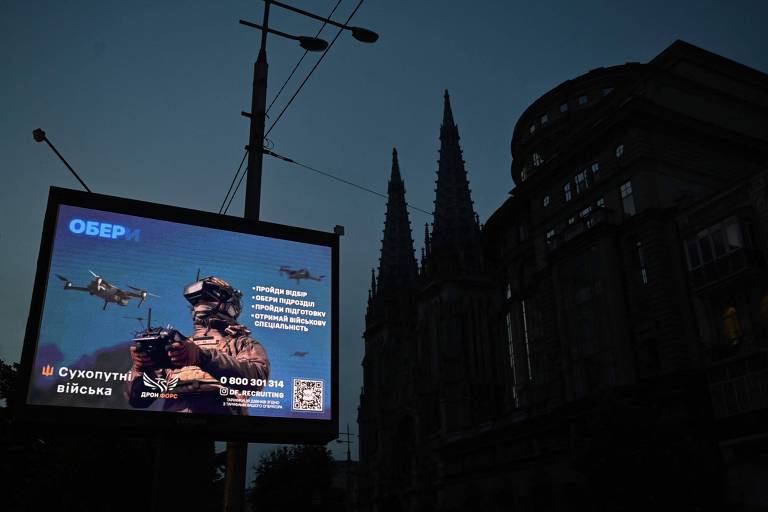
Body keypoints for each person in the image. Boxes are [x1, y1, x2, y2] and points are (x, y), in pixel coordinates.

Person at [126, 276, 269, 415]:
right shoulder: (176, 345)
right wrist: (142, 369)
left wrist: (203, 357)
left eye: (206, 299)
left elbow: (256, 378)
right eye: (196, 302)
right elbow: (138, 400)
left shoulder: (241, 343)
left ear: (229, 306)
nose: (200, 304)